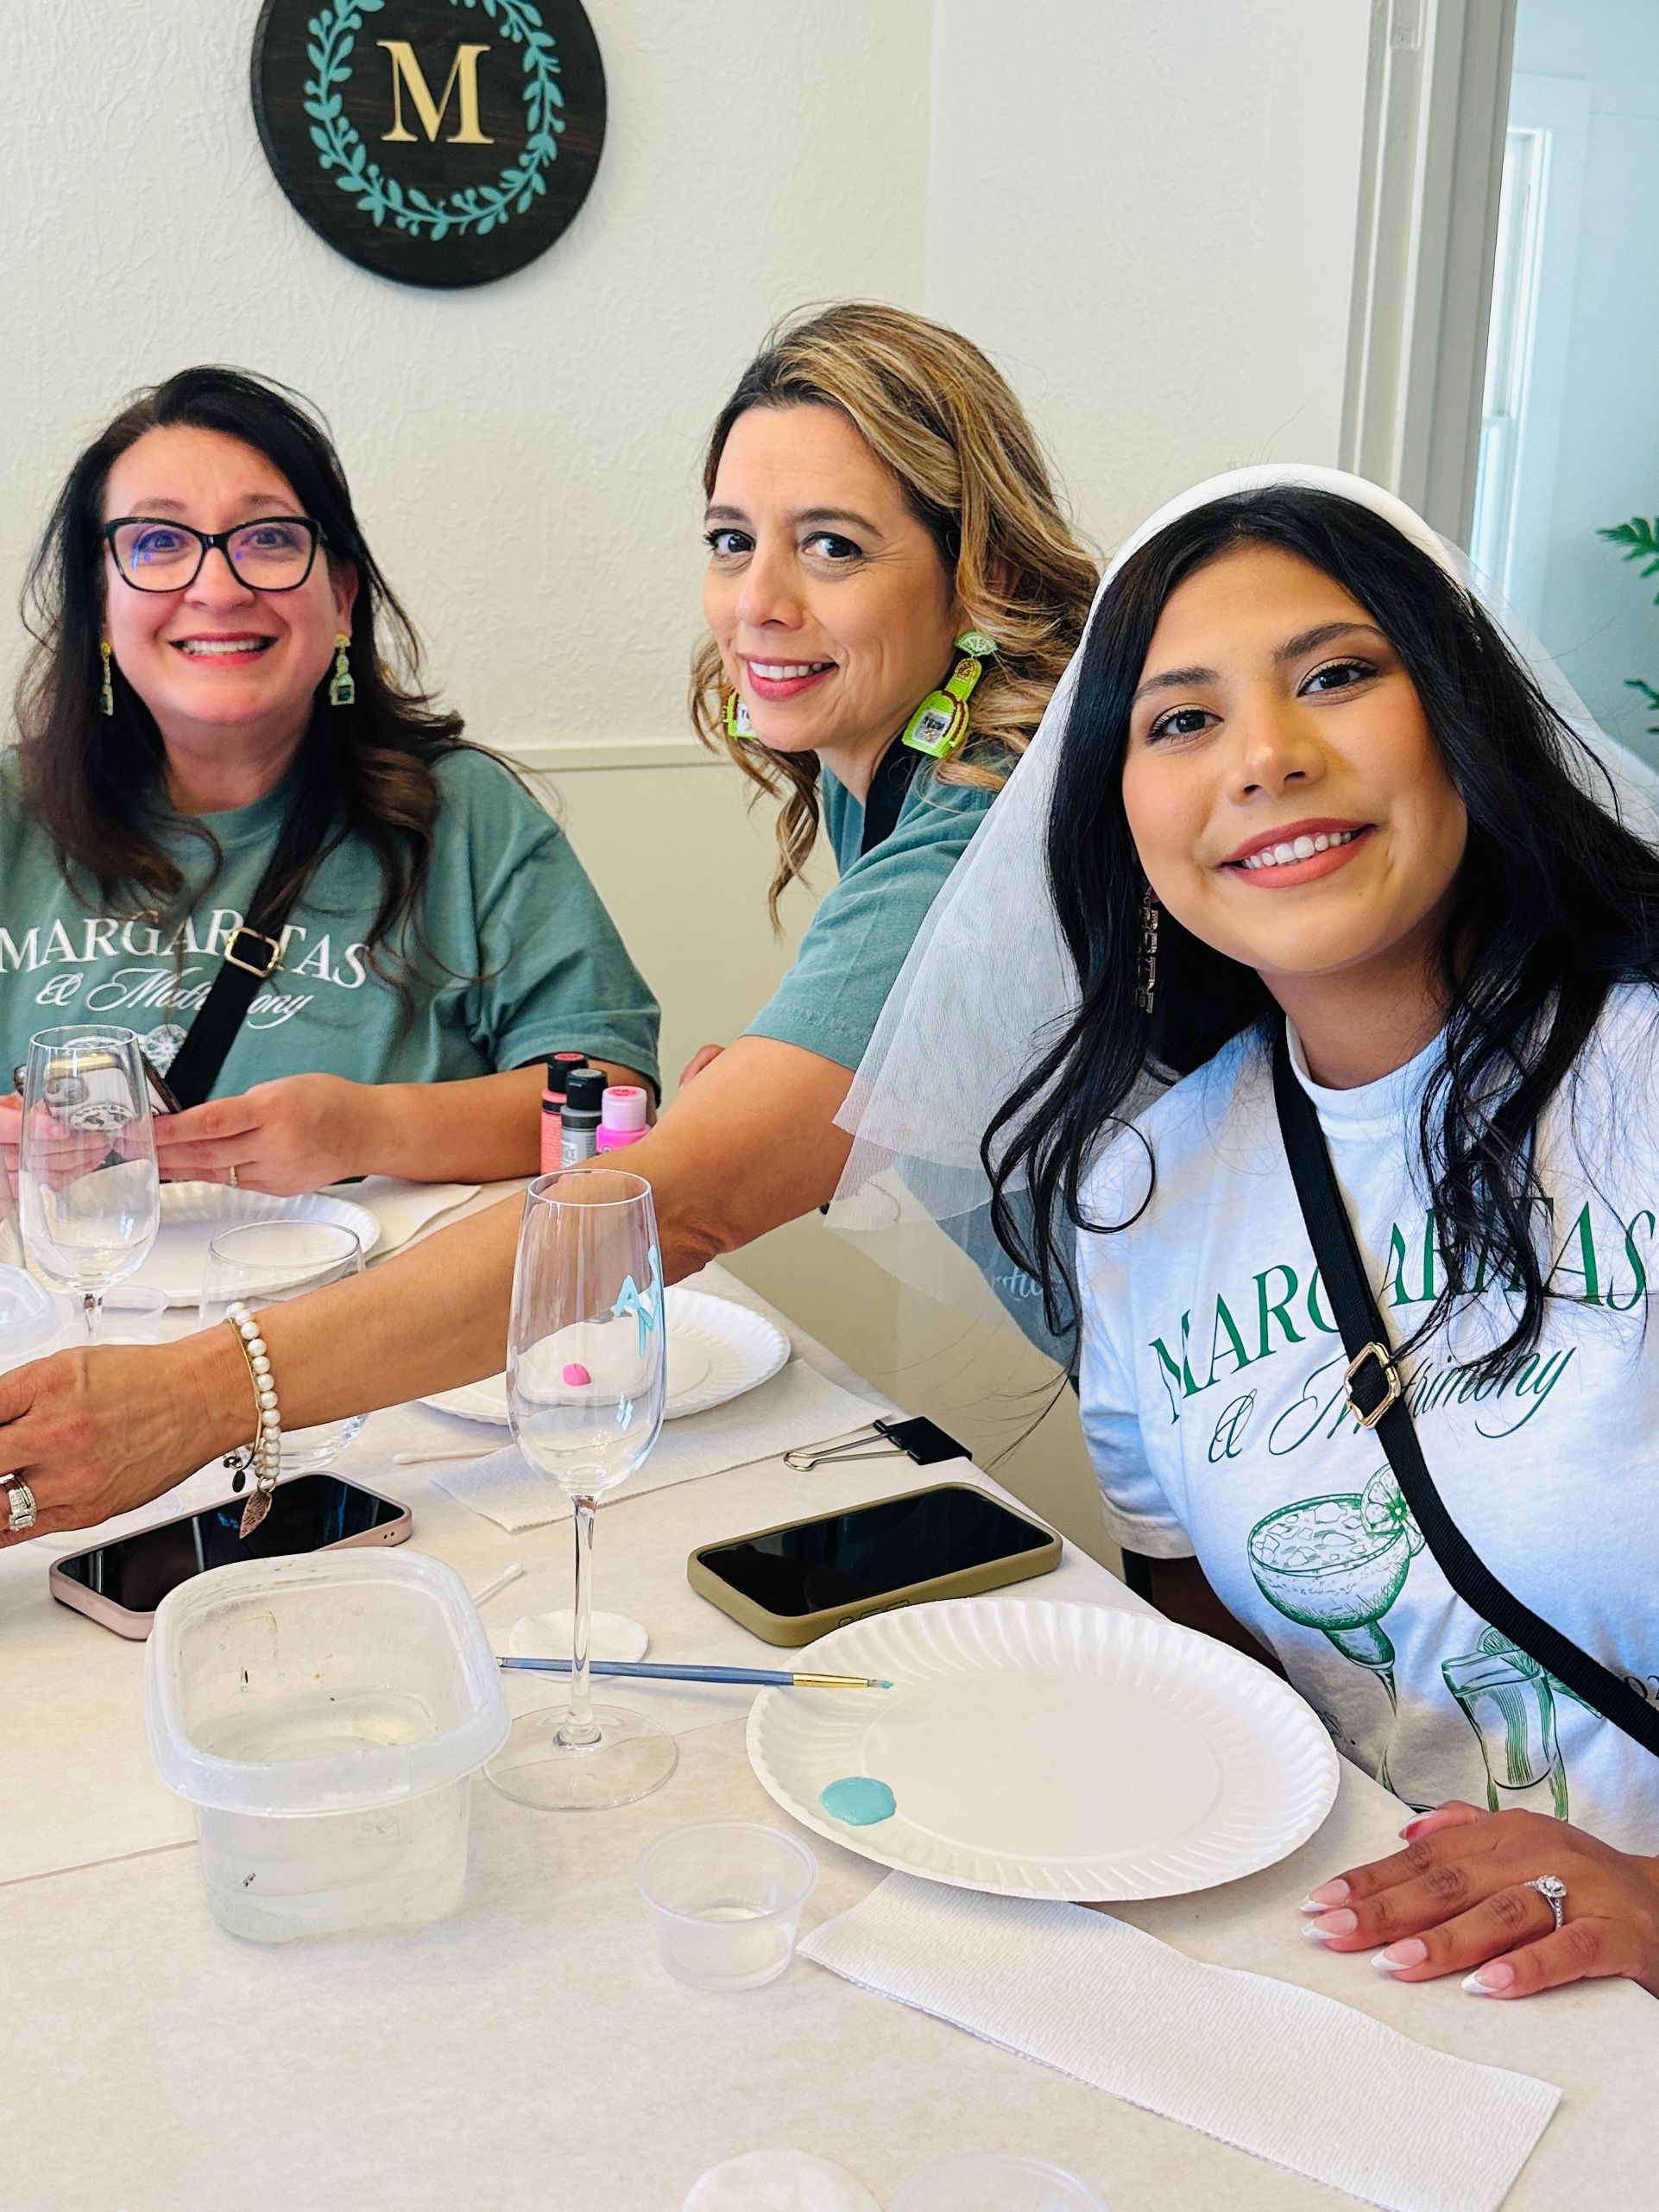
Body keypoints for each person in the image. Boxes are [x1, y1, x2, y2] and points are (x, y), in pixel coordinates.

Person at [0, 307, 1096, 1528]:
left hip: (1251, 1382)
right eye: (731, 542)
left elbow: (669, 1194)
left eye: (833, 546)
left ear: (981, 570)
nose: (757, 603)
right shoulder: (885, 781)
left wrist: (202, 1397)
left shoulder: (975, 819)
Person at [847, 462, 1659, 2002]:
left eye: (1337, 677)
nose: (1265, 759)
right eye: (1181, 720)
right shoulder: (1140, 1188)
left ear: (1460, 716)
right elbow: (1202, 1611)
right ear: (1121, 807)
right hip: (1382, 2009)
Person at [0, 366, 657, 1191]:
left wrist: (368, 1131)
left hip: (383, 1310)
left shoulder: (464, 816)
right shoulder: (9, 815)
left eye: (269, 538)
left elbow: (614, 1086)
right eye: (158, 543)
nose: (217, 587)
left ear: (341, 598)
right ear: (100, 606)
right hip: (72, 1311)